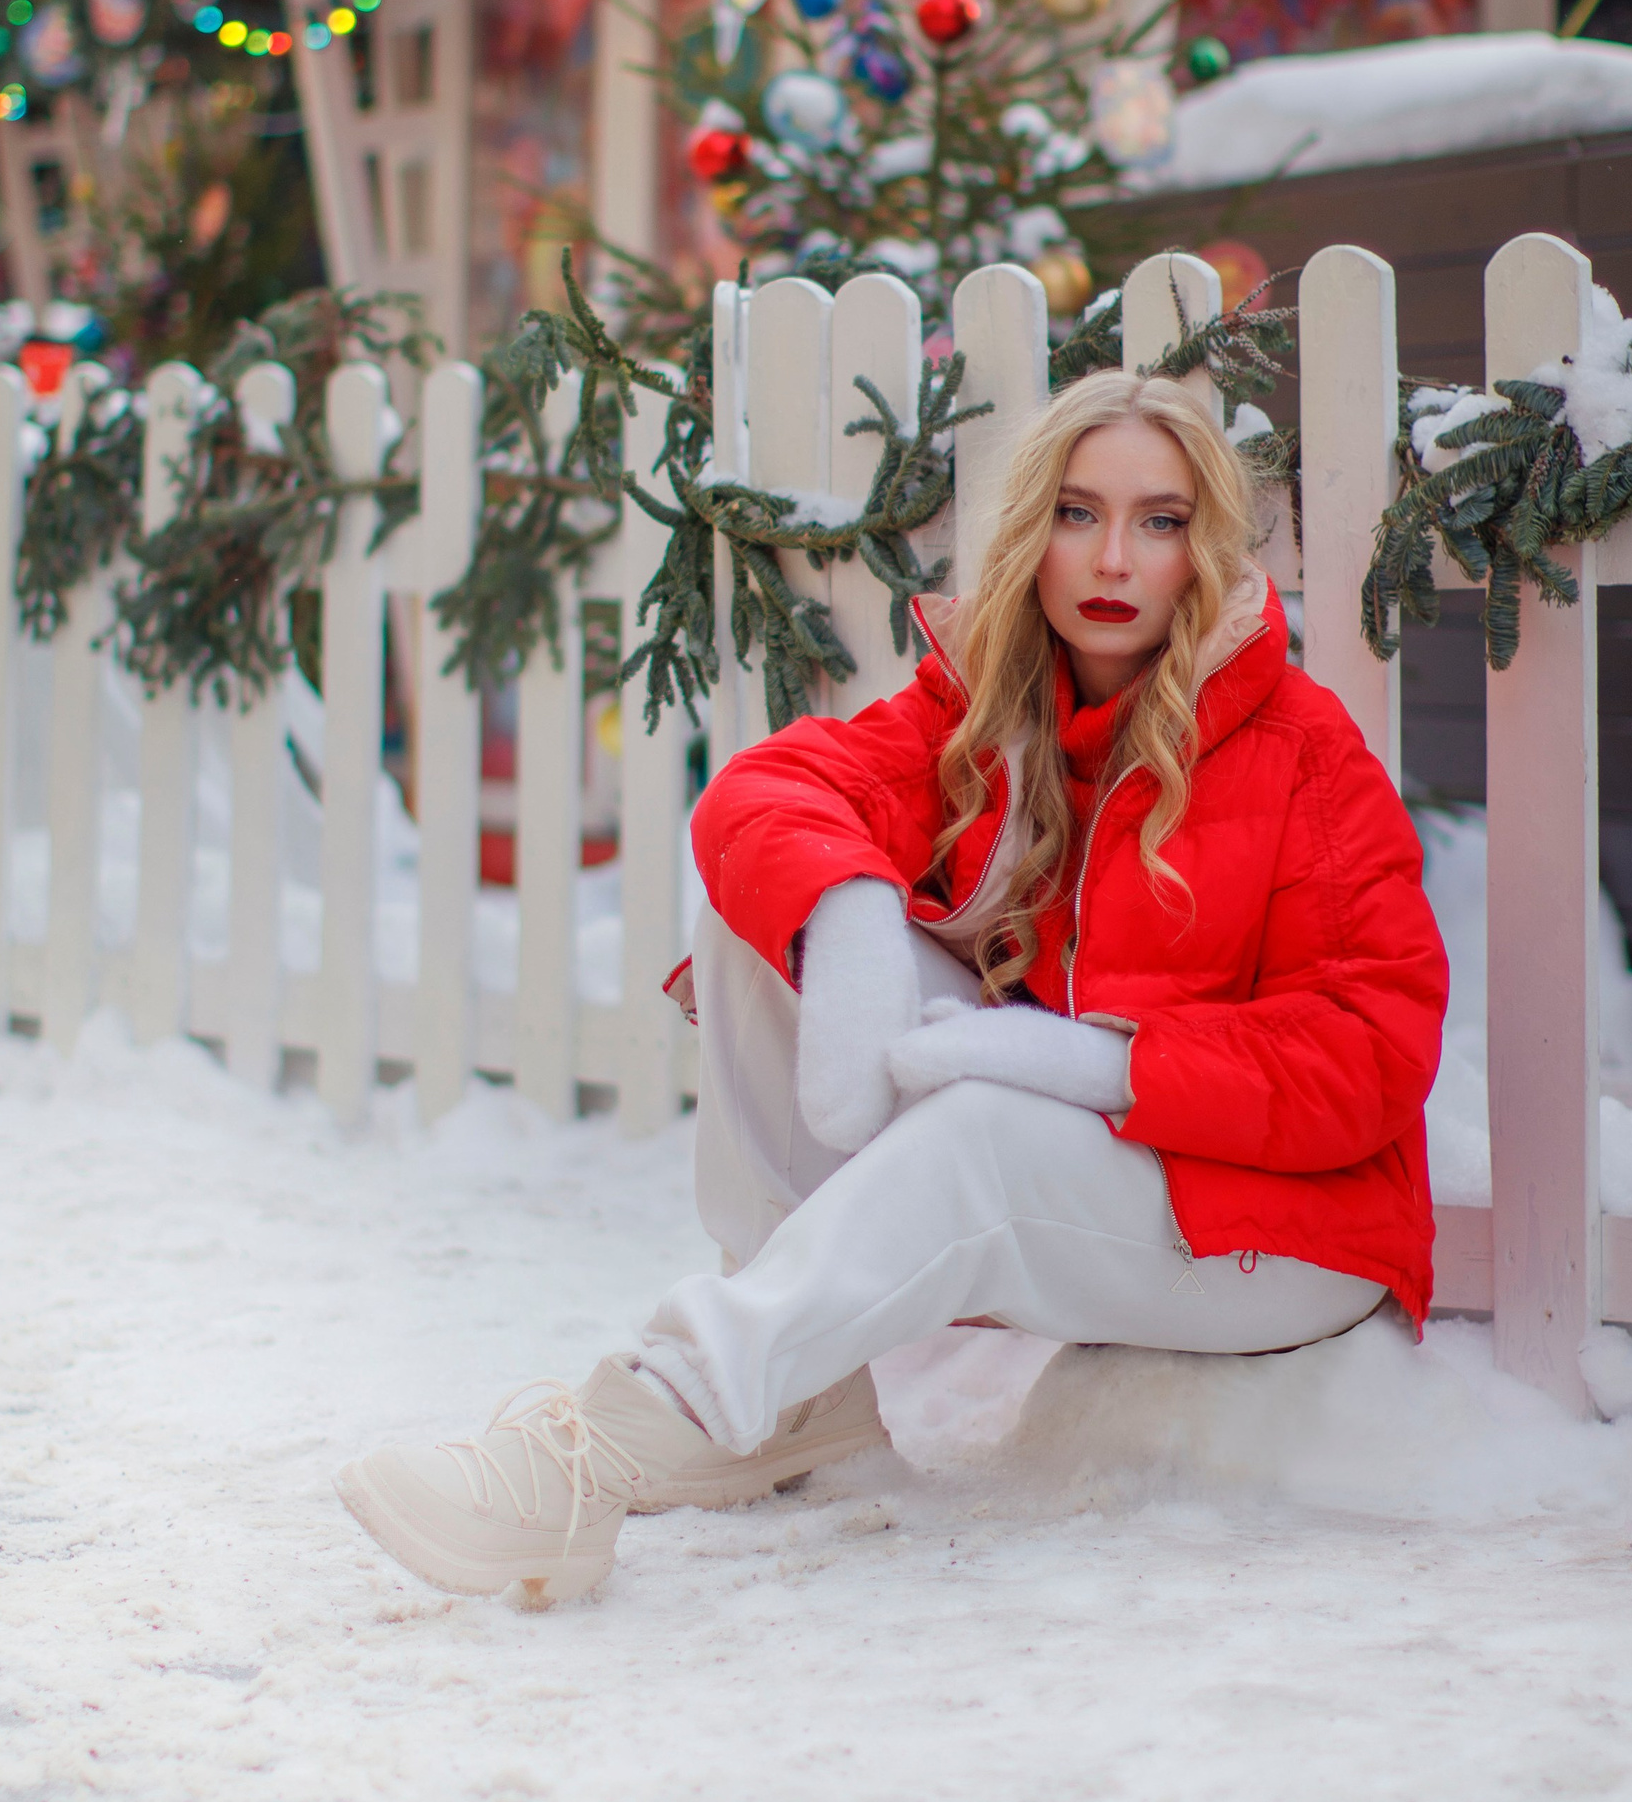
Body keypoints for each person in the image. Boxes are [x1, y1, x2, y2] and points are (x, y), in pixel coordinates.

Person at [339, 369, 1449, 1607]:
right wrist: (851, 917)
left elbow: (1372, 1052)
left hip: (1285, 1237)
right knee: (766, 921)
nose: (1113, 560)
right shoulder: (988, 708)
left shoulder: (1301, 749)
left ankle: (614, 1442)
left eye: (1160, 521)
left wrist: (1095, 1064)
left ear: (1207, 549)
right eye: (1077, 514)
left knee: (984, 1130)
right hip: (1100, 1182)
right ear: (1032, 532)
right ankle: (804, 1400)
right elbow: (768, 795)